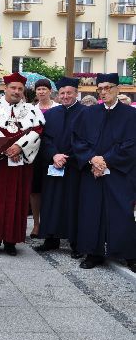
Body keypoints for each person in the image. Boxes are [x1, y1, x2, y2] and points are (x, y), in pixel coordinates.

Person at [72, 73, 136, 272]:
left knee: (122, 212)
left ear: (118, 89)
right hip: (92, 172)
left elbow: (131, 144)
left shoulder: (131, 115)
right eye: (100, 88)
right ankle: (94, 253)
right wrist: (93, 159)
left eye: (108, 87)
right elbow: (77, 140)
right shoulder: (88, 113)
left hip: (119, 173)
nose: (104, 91)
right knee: (92, 211)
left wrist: (106, 161)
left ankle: (128, 253)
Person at [0, 72, 44, 256]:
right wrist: (7, 149)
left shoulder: (32, 110)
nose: (16, 91)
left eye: (20, 89)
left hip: (21, 164)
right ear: (5, 88)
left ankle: (10, 241)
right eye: (13, 88)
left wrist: (19, 147)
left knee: (18, 201)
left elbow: (37, 130)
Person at [35, 77, 85, 258]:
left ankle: (76, 243)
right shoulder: (50, 114)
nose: (65, 96)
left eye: (69, 93)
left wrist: (67, 156)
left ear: (76, 94)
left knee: (73, 204)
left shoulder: (86, 113)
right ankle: (50, 239)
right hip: (53, 164)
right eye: (62, 93)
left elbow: (86, 140)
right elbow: (45, 139)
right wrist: (54, 155)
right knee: (51, 201)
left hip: (74, 166)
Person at [29, 79, 60, 238]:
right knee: (35, 190)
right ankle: (36, 224)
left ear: (50, 91)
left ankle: (50, 224)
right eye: (38, 89)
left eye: (44, 89)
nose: (41, 92)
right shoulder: (31, 109)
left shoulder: (58, 108)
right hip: (34, 153)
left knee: (50, 189)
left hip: (52, 153)